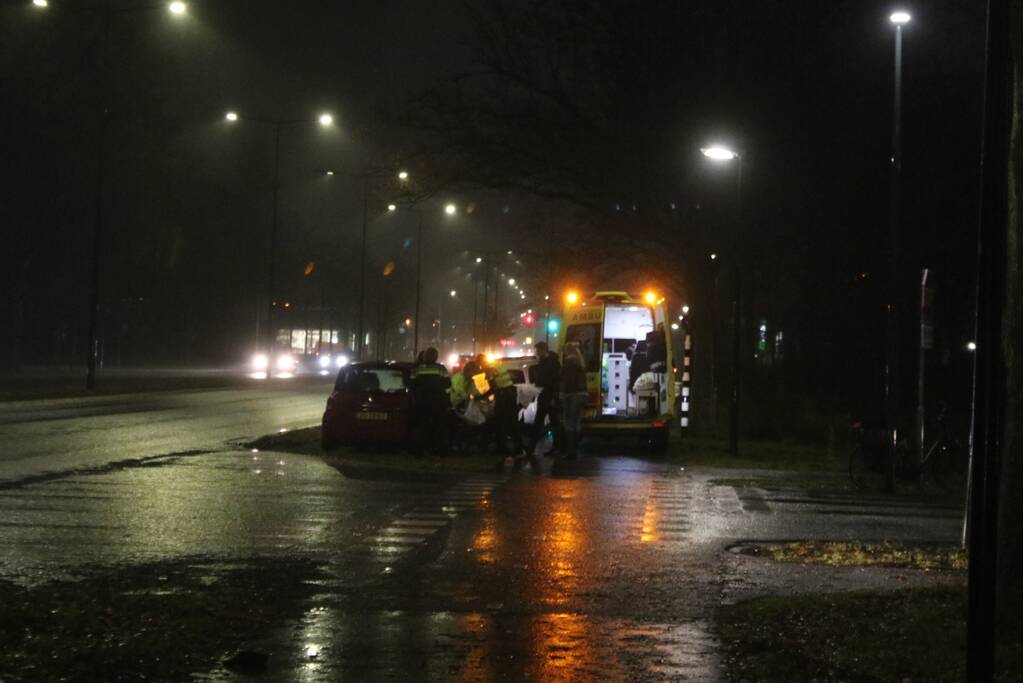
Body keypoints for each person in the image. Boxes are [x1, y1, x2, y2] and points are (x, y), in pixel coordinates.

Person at [410, 347, 451, 457]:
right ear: (436, 357)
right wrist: (447, 401)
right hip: (438, 404)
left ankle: (420, 451)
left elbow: (412, 386)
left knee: (423, 428)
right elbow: (448, 386)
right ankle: (436, 450)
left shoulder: (417, 370)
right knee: (437, 428)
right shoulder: (441, 369)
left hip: (422, 404)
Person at [527, 341, 562, 460]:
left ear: (543, 350)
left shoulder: (553, 363)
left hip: (550, 395)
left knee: (553, 423)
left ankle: (557, 447)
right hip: (543, 395)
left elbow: (556, 382)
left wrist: (553, 397)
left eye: (537, 351)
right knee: (539, 421)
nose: (536, 353)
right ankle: (531, 448)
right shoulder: (544, 362)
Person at [486, 355, 523, 461]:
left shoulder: (490, 369)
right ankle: (517, 449)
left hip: (504, 397)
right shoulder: (497, 366)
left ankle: (503, 448)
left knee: (500, 423)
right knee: (512, 423)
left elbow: (491, 386)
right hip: (509, 395)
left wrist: (480, 396)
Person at [560, 342, 588, 460]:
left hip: (573, 395)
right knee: (576, 423)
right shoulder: (579, 361)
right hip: (582, 395)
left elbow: (567, 380)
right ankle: (575, 450)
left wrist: (562, 393)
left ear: (567, 351)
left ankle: (571, 452)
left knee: (569, 424)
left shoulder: (569, 363)